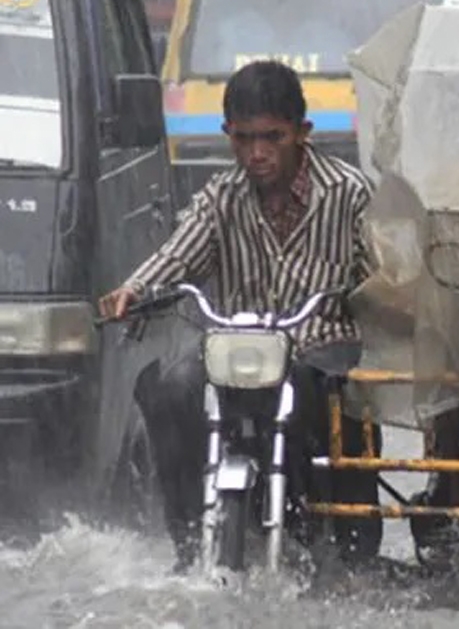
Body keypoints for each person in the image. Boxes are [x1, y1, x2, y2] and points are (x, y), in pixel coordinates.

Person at [98, 60, 382, 573]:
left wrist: (383, 297)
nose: (258, 153)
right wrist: (135, 289)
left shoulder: (348, 193)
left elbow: (382, 274)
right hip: (235, 349)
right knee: (172, 388)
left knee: (324, 397)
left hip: (320, 350)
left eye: (272, 137)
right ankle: (188, 543)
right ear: (228, 135)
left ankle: (325, 533)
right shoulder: (220, 197)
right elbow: (178, 253)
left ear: (301, 133)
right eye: (244, 138)